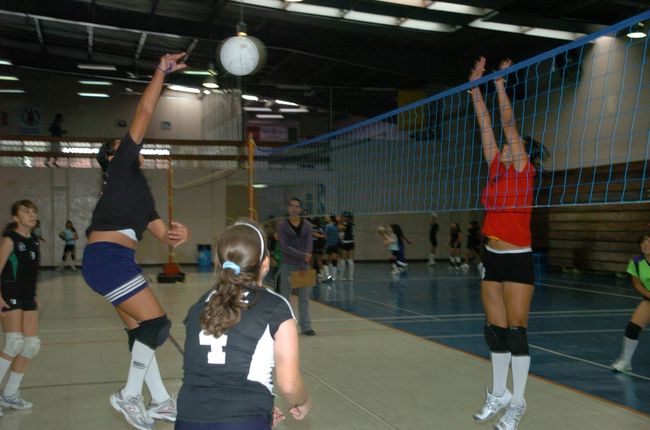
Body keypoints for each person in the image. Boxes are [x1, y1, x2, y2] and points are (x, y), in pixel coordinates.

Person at [81, 52, 191, 430]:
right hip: (106, 259)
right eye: (121, 143)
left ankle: (160, 401)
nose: (130, 144)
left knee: (139, 332)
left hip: (115, 262)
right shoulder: (121, 167)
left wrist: (179, 233)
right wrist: (160, 72)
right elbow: (143, 113)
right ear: (111, 158)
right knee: (157, 325)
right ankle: (130, 395)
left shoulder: (140, 194)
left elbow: (164, 235)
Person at [176, 221, 311, 429]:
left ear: (218, 262)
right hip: (245, 418)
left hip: (188, 419)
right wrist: (302, 402)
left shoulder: (199, 306)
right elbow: (289, 385)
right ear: (265, 263)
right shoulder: (275, 307)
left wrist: (261, 406)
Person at [469, 56, 536, 430]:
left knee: (516, 329)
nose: (511, 147)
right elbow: (486, 127)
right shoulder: (496, 165)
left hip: (518, 257)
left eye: (517, 146)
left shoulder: (524, 172)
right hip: (492, 256)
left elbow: (507, 125)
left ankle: (518, 402)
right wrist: (475, 87)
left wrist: (499, 85)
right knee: (494, 330)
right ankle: (499, 393)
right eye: (510, 146)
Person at [0, 200, 41, 415]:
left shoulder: (34, 240)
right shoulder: (10, 240)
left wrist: (34, 295)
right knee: (14, 343)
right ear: (16, 218)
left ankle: (10, 394)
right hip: (10, 296)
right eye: (26, 211)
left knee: (31, 345)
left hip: (27, 298)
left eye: (34, 211)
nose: (32, 214)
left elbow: (29, 273)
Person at [611, 230, 650, 373]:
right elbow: (637, 284)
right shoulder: (636, 262)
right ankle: (626, 361)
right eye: (643, 242)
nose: (645, 245)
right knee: (632, 327)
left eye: (649, 242)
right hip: (649, 299)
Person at [278, 198, 315, 336]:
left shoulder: (307, 225)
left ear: (300, 209)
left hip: (303, 266)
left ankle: (306, 327)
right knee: (285, 298)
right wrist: (303, 255)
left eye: (297, 206)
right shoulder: (282, 225)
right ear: (288, 208)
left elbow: (310, 244)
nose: (294, 209)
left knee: (304, 298)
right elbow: (284, 247)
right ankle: (282, 327)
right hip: (288, 264)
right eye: (292, 206)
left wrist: (307, 256)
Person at [338, 212, 355, 281]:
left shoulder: (345, 224)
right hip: (351, 242)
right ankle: (351, 277)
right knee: (350, 259)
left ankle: (341, 276)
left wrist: (340, 221)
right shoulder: (353, 224)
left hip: (345, 242)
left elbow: (341, 230)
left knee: (343, 259)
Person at [324, 215, 339, 281]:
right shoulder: (336, 226)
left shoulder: (328, 226)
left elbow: (325, 236)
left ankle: (328, 276)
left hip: (329, 245)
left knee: (324, 260)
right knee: (334, 260)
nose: (325, 218)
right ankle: (334, 277)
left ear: (330, 219)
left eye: (327, 217)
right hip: (335, 245)